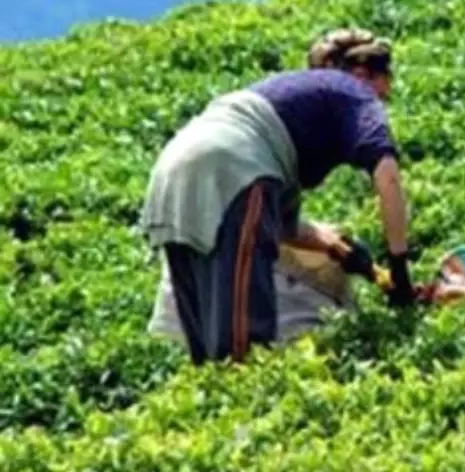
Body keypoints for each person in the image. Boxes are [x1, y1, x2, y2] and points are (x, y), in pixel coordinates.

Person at [140, 27, 420, 365]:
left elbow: (282, 227)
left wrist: (341, 250)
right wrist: (400, 270)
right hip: (234, 168)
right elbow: (388, 178)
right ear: (364, 74)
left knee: (206, 341)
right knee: (245, 345)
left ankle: (216, 403)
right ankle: (247, 398)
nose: (380, 105)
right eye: (383, 94)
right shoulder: (354, 92)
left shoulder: (286, 102)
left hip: (172, 174)